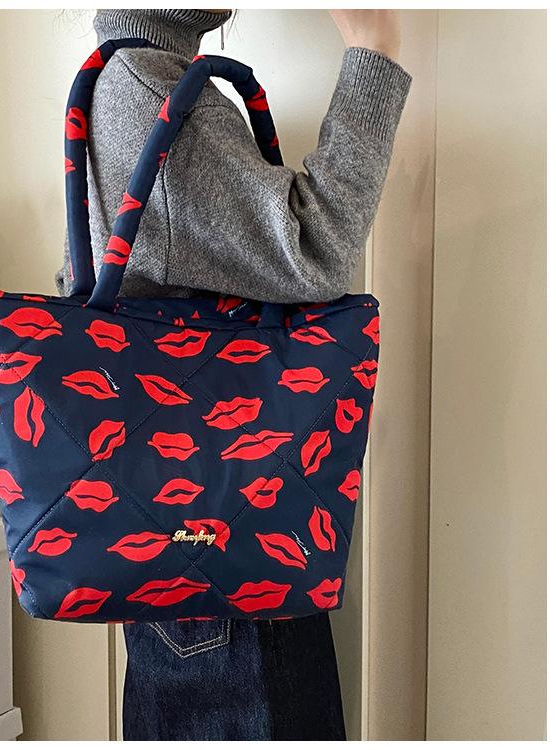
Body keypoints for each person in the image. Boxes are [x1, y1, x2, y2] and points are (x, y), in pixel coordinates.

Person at [57, 8, 412, 741]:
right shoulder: (148, 85)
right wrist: (373, 46)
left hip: (186, 519)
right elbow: (313, 252)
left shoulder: (125, 76)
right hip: (227, 534)